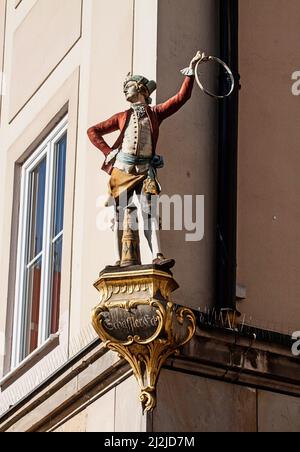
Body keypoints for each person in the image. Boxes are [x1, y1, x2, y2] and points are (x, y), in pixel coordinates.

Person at [88, 51, 205, 268]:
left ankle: (157, 255)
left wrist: (190, 72)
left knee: (148, 211)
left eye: (129, 85)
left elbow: (181, 99)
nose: (125, 89)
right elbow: (93, 130)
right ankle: (119, 259)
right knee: (120, 212)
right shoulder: (122, 116)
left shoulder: (154, 113)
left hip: (144, 170)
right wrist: (107, 151)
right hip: (122, 169)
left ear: (141, 89)